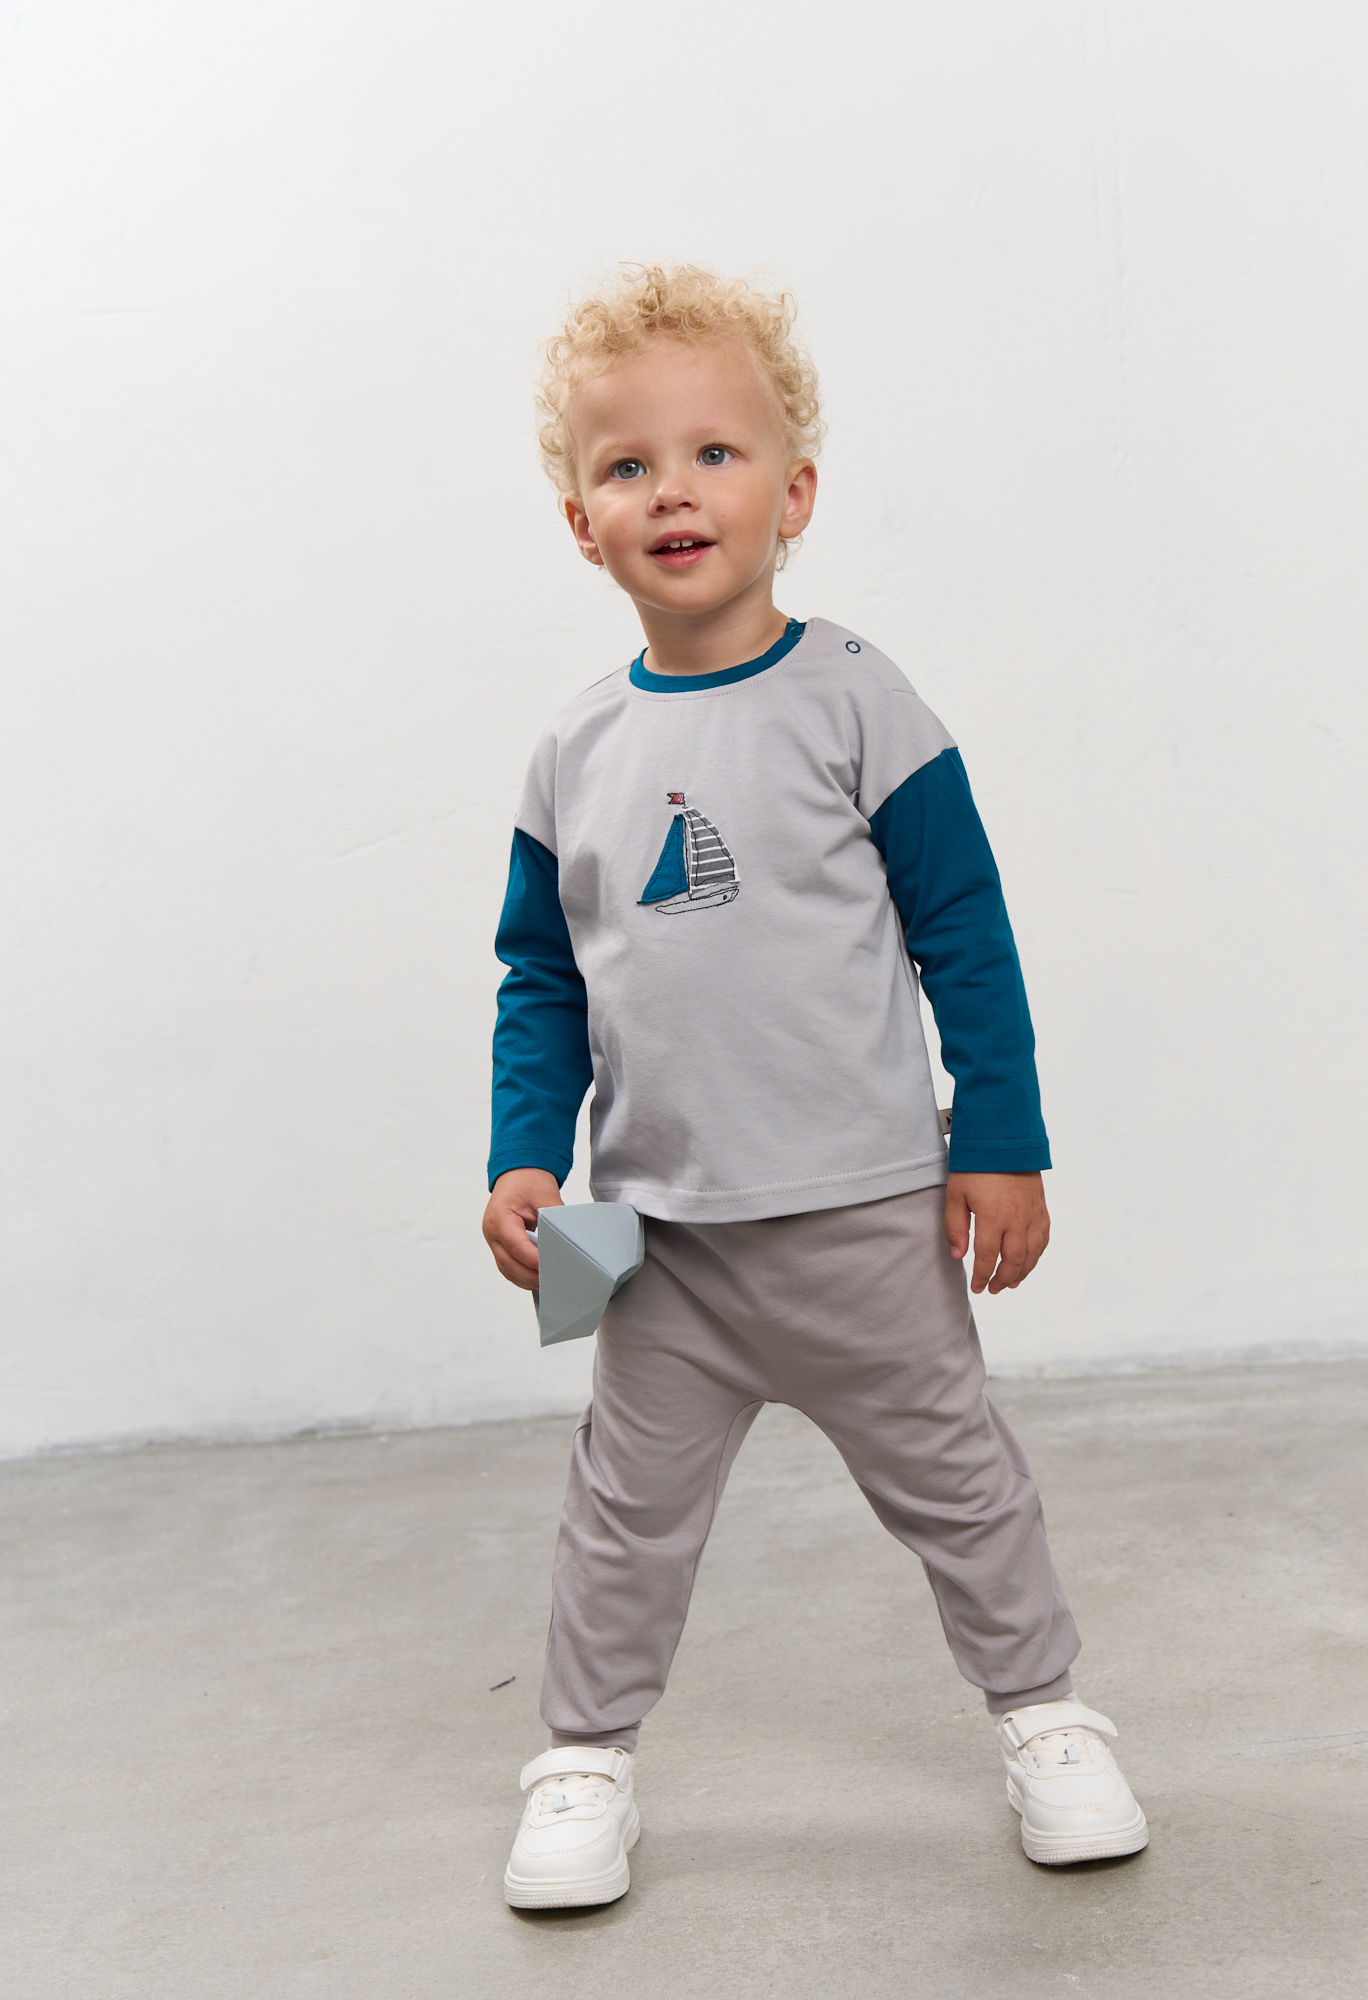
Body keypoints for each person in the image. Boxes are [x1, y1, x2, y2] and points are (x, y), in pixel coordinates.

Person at [482, 265, 1146, 1909]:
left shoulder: (859, 699)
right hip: (658, 1245)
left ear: (794, 495)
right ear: (580, 524)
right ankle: (583, 1756)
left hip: (865, 1221)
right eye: (628, 466)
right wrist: (524, 1157)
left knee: (961, 1485)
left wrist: (1000, 1137)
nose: (673, 492)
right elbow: (544, 979)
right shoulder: (572, 754)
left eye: (714, 454)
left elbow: (964, 931)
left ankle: (1046, 1714)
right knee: (621, 1515)